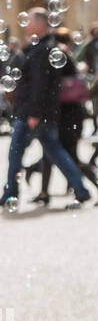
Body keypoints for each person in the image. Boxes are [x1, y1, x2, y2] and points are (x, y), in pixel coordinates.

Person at [0, 8, 90, 209]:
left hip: (32, 112)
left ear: (39, 24)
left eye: (29, 20)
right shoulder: (43, 47)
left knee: (17, 151)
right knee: (55, 150)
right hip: (41, 112)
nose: (25, 24)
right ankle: (81, 190)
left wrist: (34, 113)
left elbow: (39, 85)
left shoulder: (43, 50)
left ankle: (11, 193)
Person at [22, 28, 96, 204]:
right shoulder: (62, 55)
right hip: (63, 112)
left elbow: (48, 85)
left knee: (69, 155)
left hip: (68, 114)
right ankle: (44, 193)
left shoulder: (58, 56)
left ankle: (85, 189)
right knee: (51, 153)